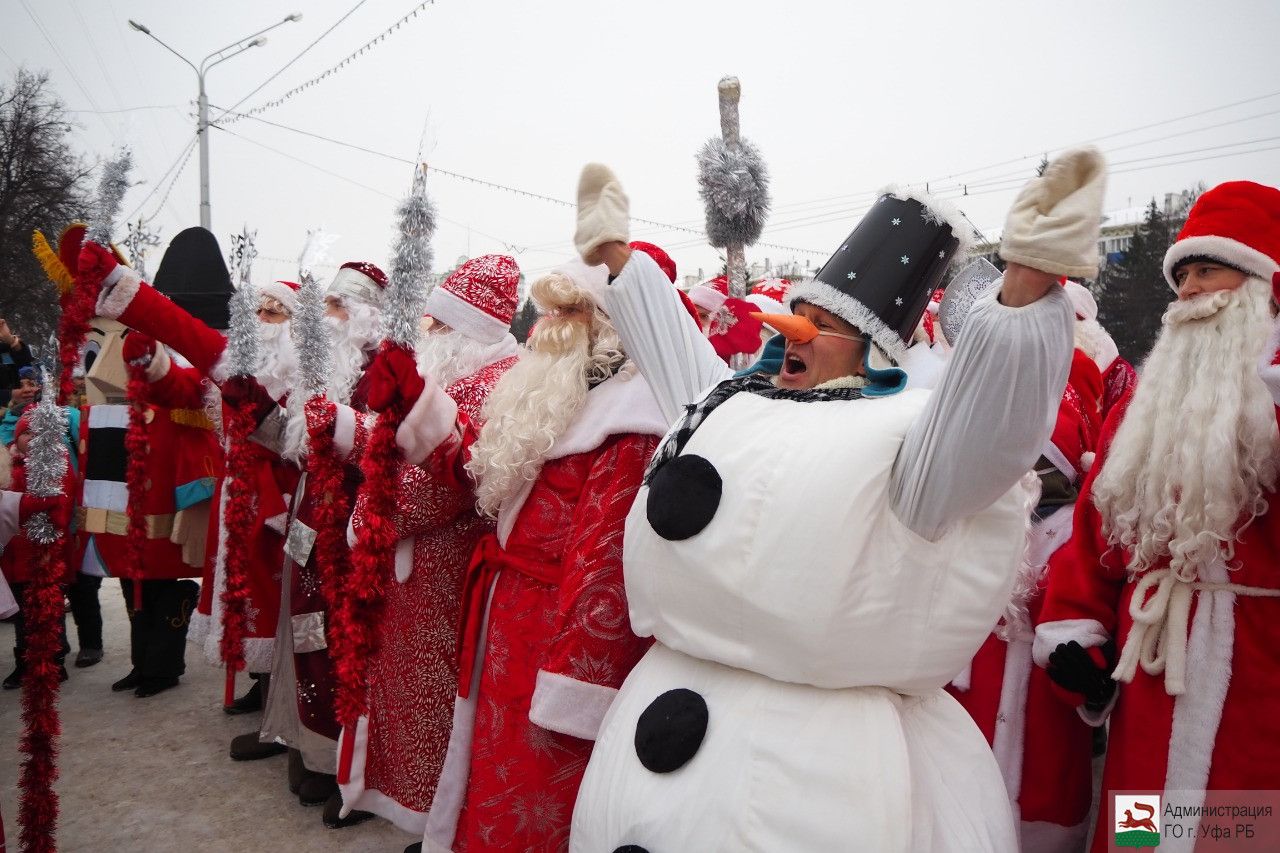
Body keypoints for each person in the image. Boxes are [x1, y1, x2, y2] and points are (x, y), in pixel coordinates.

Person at [567, 150, 1098, 851]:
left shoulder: (902, 442)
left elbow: (989, 427)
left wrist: (1025, 286)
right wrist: (619, 260)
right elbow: (677, 361)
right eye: (797, 314)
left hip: (813, 767)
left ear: (870, 353)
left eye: (822, 323)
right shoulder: (736, 407)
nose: (793, 331)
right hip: (663, 721)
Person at [376, 253, 671, 851]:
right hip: (506, 616)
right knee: (488, 766)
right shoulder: (556, 390)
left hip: (550, 635)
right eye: (550, 307)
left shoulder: (629, 421)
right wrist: (422, 409)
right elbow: (478, 471)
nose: (550, 321)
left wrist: (574, 687)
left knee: (533, 789)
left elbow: (603, 574)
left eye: (572, 309)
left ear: (614, 323)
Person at [1035, 180, 1280, 853]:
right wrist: (1076, 630)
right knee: (1137, 831)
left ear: (1262, 284)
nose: (1192, 290)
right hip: (1151, 687)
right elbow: (1097, 528)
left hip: (1257, 687)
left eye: (1210, 268)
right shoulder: (1145, 405)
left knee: (1239, 834)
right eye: (1185, 275)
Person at [336, 255, 522, 834]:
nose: (427, 334)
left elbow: (443, 484)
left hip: (448, 576)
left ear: (470, 329)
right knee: (411, 701)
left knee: (438, 707)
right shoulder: (458, 374)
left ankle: (434, 822)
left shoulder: (496, 383)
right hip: (417, 575)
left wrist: (367, 514)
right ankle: (412, 809)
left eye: (439, 325)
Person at [947, 382, 1099, 852]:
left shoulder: (1078, 535)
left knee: (1044, 809)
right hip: (967, 706)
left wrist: (1091, 680)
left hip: (1045, 724)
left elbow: (1089, 613)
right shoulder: (969, 522)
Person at [74, 231, 225, 699]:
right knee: (132, 572)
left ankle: (162, 665)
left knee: (159, 576)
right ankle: (144, 663)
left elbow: (197, 410)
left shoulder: (206, 358)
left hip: (170, 480)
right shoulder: (138, 345)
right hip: (133, 475)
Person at [1, 412, 76, 688]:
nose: (31, 438)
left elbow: (62, 503)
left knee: (49, 608)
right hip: (13, 553)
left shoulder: (57, 462)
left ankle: (54, 662)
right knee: (22, 611)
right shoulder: (7, 467)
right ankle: (25, 663)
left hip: (45, 549)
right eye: (25, 433)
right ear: (16, 438)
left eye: (36, 433)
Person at [0, 318, 34, 408]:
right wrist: (10, 394)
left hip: (16, 410)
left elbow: (23, 367)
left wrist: (12, 341)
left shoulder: (4, 353)